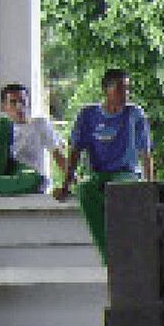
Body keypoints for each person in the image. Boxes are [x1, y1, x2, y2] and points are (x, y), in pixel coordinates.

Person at [57, 68, 154, 263]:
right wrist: (66, 185)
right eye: (119, 89)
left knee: (119, 192)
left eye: (127, 89)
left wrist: (151, 186)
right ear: (105, 90)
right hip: (99, 174)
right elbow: (75, 151)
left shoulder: (134, 114)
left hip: (126, 174)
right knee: (84, 190)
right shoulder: (88, 115)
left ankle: (121, 251)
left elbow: (146, 152)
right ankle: (110, 254)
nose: (125, 94)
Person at [0, 82, 67, 196]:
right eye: (13, 102)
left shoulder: (39, 124)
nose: (19, 107)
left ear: (28, 103)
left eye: (22, 101)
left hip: (24, 175)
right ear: (4, 106)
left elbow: (59, 157)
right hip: (2, 174)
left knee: (38, 180)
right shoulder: (1, 128)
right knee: (1, 123)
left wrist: (71, 183)